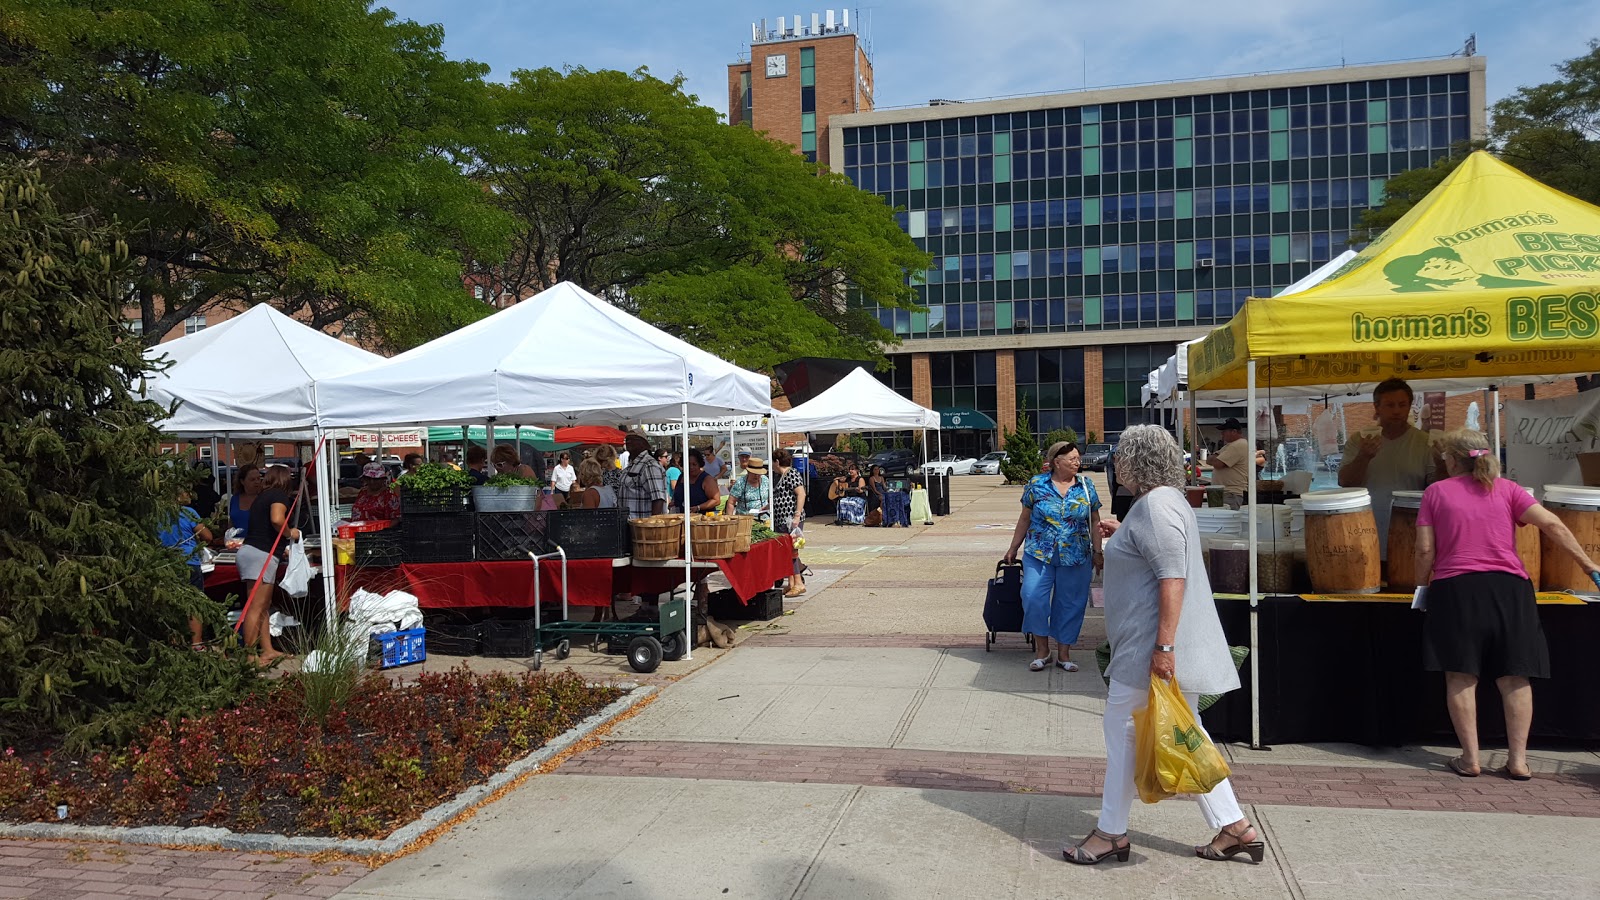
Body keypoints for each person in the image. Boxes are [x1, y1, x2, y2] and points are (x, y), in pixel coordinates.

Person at [1064, 425, 1260, 866]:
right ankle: (1234, 827)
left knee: (1124, 734)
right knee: (1188, 737)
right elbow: (1157, 555)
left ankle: (1110, 832)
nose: (1116, 464)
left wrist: (1164, 649)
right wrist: (1124, 530)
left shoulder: (1154, 506)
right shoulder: (1161, 502)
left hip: (1149, 649)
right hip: (1158, 645)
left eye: (1121, 457)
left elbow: (1172, 576)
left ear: (1137, 461)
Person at [1415, 429, 1600, 780]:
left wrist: (1422, 589)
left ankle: (1470, 758)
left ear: (1452, 460)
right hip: (1510, 588)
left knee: (1460, 673)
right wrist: (1588, 564)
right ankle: (1518, 760)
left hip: (1456, 588)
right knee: (1515, 675)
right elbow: (1553, 524)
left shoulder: (1435, 492)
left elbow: (1424, 549)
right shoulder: (1509, 489)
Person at [1004, 441, 1102, 672]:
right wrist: (1013, 547)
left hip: (1076, 555)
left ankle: (1064, 654)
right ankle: (1042, 650)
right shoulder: (1036, 484)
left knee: (1070, 603)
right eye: (1072, 459)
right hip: (1039, 552)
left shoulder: (1086, 486)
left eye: (1078, 458)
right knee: (1032, 596)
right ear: (1056, 462)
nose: (1078, 462)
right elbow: (1025, 518)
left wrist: (1098, 552)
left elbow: (1095, 520)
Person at [1339, 378, 1440, 555]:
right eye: (1390, 405)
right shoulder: (1359, 440)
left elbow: (1436, 490)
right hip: (1364, 528)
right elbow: (1345, 482)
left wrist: (1443, 464)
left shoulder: (1425, 442)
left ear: (1410, 406)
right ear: (1377, 407)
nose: (1396, 411)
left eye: (1402, 405)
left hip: (1410, 528)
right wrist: (1363, 457)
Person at [238, 465, 300, 664]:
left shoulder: (261, 497)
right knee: (256, 607)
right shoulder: (279, 496)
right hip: (262, 554)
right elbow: (276, 519)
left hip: (250, 551)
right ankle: (249, 655)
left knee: (262, 606)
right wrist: (291, 533)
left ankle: (267, 649)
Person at [159, 489, 214, 650]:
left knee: (171, 603)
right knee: (194, 603)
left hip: (165, 562)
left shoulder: (156, 515)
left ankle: (174, 641)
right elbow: (208, 536)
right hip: (189, 561)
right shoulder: (188, 513)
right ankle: (196, 643)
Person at [1207, 417, 1267, 510]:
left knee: (1227, 521)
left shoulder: (1238, 445)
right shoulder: (1229, 445)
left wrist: (1215, 458)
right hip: (1225, 492)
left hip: (1231, 493)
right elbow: (1209, 459)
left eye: (1224, 431)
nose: (1221, 434)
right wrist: (1214, 458)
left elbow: (1217, 463)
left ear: (1234, 432)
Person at [772, 449, 808, 596]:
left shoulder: (791, 473)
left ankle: (798, 582)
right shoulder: (779, 476)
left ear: (777, 462)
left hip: (790, 520)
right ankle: (791, 582)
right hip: (782, 520)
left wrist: (797, 515)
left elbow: (801, 493)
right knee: (786, 552)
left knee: (792, 551)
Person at [619, 432, 670, 519]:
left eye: (633, 439)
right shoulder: (632, 464)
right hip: (629, 524)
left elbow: (658, 499)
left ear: (643, 444)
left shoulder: (650, 465)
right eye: (627, 439)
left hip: (642, 526)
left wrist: (652, 526)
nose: (628, 442)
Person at [729, 457, 772, 523]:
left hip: (764, 519)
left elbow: (771, 499)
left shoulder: (766, 480)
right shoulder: (740, 483)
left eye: (759, 474)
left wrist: (767, 507)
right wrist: (730, 520)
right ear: (748, 472)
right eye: (754, 474)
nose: (757, 476)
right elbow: (731, 503)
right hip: (744, 520)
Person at [683, 449, 722, 515]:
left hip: (704, 518)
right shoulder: (681, 477)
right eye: (688, 464)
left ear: (699, 464)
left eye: (694, 464)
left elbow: (716, 500)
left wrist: (698, 507)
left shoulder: (707, 479)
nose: (691, 467)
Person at [228, 464, 262, 536]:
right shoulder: (235, 499)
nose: (257, 482)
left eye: (258, 478)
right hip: (236, 543)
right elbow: (231, 523)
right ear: (242, 481)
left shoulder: (263, 498)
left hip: (256, 544)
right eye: (252, 479)